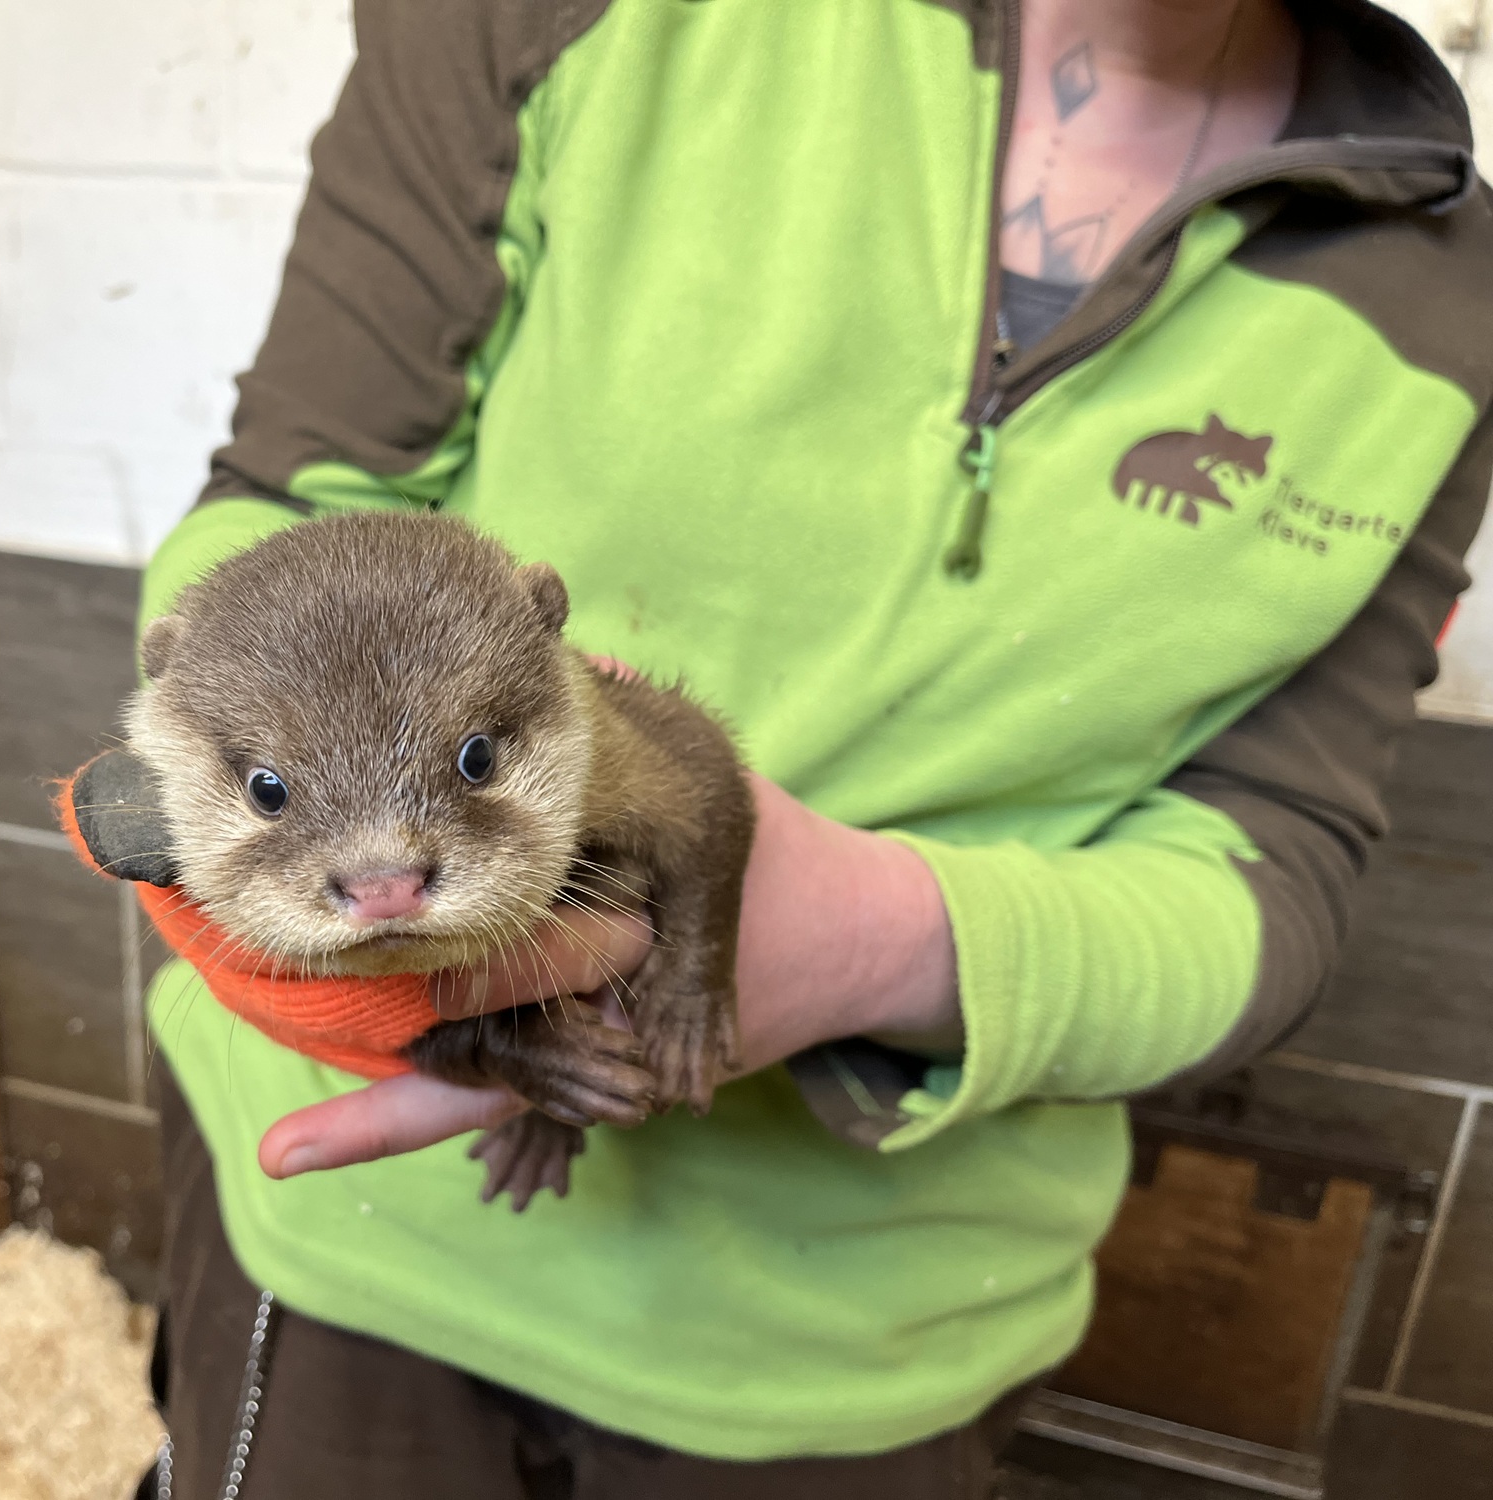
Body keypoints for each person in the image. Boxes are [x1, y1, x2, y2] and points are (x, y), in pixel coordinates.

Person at [132, 0, 1493, 1494]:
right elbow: (287, 501)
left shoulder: (1448, 312)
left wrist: (877, 947)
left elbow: (1275, 864)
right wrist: (372, 967)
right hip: (359, 1240)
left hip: (872, 1333)